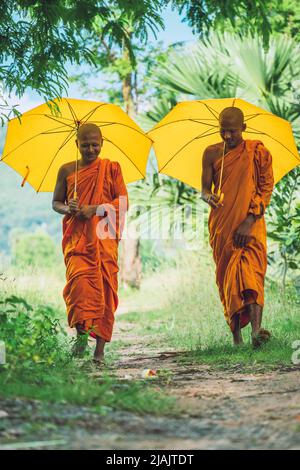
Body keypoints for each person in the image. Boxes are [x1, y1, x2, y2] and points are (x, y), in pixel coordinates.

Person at [52, 123, 128, 362]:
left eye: (95, 144)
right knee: (79, 290)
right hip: (78, 242)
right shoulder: (66, 170)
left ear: (102, 143)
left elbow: (123, 203)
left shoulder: (111, 169)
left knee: (105, 292)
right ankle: (82, 338)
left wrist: (95, 209)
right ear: (77, 144)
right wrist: (69, 208)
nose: (91, 149)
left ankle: (99, 352)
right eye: (85, 145)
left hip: (103, 241)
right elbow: (56, 203)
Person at [201, 107, 274, 348]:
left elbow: (265, 189)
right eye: (223, 131)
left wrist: (249, 221)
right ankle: (236, 338)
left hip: (250, 223)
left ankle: (256, 332)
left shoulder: (257, 152)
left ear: (243, 128)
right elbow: (205, 189)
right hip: (223, 223)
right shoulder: (211, 153)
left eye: (232, 131)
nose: (227, 136)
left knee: (251, 274)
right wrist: (207, 196)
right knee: (228, 278)